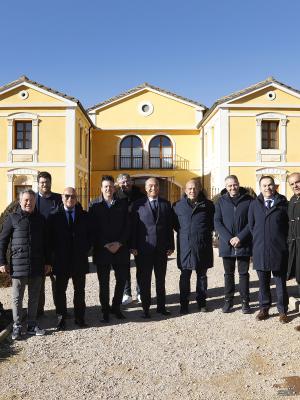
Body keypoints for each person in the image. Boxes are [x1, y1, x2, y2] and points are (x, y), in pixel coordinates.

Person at [0, 189, 51, 340]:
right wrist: (2, 261)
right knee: (17, 297)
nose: (29, 203)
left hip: (36, 264)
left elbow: (46, 243)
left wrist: (48, 262)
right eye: (26, 200)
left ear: (35, 201)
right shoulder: (12, 218)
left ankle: (31, 324)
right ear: (20, 201)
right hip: (18, 265)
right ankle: (16, 326)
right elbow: (2, 241)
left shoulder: (41, 219)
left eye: (31, 200)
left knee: (34, 296)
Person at [47, 188, 91, 330]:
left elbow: (90, 236)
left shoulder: (84, 216)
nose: (70, 199)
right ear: (62, 197)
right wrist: (50, 260)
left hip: (79, 259)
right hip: (61, 261)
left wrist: (85, 249)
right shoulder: (53, 216)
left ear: (76, 198)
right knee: (60, 292)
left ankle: (80, 318)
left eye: (73, 196)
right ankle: (61, 319)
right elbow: (49, 240)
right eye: (67, 196)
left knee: (80, 291)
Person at [131, 177, 174, 318]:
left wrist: (171, 245)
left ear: (159, 187)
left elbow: (169, 227)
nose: (153, 188)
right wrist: (133, 246)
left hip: (161, 249)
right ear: (145, 188)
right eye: (150, 186)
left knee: (160, 280)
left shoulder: (166, 204)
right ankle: (145, 309)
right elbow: (134, 228)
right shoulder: (137, 205)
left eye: (155, 185)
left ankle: (161, 307)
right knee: (145, 281)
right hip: (143, 249)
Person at [248, 176, 289, 323]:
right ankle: (264, 308)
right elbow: (251, 226)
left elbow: (287, 228)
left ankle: (283, 311)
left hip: (279, 250)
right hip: (260, 249)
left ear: (275, 186)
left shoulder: (284, 204)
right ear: (260, 187)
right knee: (263, 283)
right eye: (264, 186)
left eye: (270, 185)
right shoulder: (254, 205)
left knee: (280, 283)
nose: (267, 188)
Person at [89, 176, 130, 322]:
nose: (108, 189)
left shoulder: (123, 204)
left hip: (121, 249)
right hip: (102, 250)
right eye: (105, 186)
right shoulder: (94, 205)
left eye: (111, 186)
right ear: (101, 188)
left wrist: (119, 243)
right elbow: (92, 229)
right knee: (104, 283)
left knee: (121, 280)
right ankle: (105, 310)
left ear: (114, 188)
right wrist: (105, 244)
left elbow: (127, 226)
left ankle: (116, 307)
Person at [173, 179, 214, 314]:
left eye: (195, 188)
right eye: (189, 189)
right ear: (185, 190)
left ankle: (202, 303)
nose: (192, 191)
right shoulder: (178, 206)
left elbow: (212, 224)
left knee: (202, 276)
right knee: (185, 276)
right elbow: (174, 226)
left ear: (199, 189)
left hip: (202, 246)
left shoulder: (208, 205)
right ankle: (184, 304)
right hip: (185, 247)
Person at [214, 175, 253, 314]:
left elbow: (251, 222)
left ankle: (245, 302)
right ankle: (228, 301)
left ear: (238, 184)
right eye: (229, 185)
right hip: (227, 243)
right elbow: (217, 222)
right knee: (228, 274)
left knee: (244, 273)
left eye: (235, 184)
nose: (232, 187)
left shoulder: (249, 200)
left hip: (244, 243)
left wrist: (240, 237)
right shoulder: (220, 201)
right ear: (226, 187)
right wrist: (230, 238)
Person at [115, 173, 145, 305]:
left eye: (127, 181)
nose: (125, 184)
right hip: (122, 236)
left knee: (141, 265)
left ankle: (141, 292)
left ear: (132, 182)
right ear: (118, 183)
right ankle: (126, 293)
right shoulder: (115, 197)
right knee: (124, 265)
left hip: (138, 235)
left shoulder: (141, 196)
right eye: (122, 182)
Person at [36, 171, 62, 316]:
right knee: (39, 283)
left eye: (47, 182)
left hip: (56, 247)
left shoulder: (58, 199)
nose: (44, 184)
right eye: (42, 182)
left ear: (51, 182)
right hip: (39, 248)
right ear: (38, 184)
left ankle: (60, 309)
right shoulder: (33, 200)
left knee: (57, 282)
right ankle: (39, 311)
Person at [287, 172, 300, 331]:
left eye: (298, 182)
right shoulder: (292, 201)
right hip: (295, 248)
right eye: (292, 184)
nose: (295, 186)